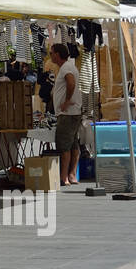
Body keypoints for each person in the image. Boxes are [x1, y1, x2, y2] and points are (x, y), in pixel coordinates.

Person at [50, 43, 83, 185]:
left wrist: (67, 100)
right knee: (73, 145)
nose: (50, 55)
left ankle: (64, 177)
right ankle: (71, 175)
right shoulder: (68, 67)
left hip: (67, 114)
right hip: (72, 113)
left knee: (64, 146)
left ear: (57, 54)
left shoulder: (67, 68)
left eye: (51, 53)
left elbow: (71, 83)